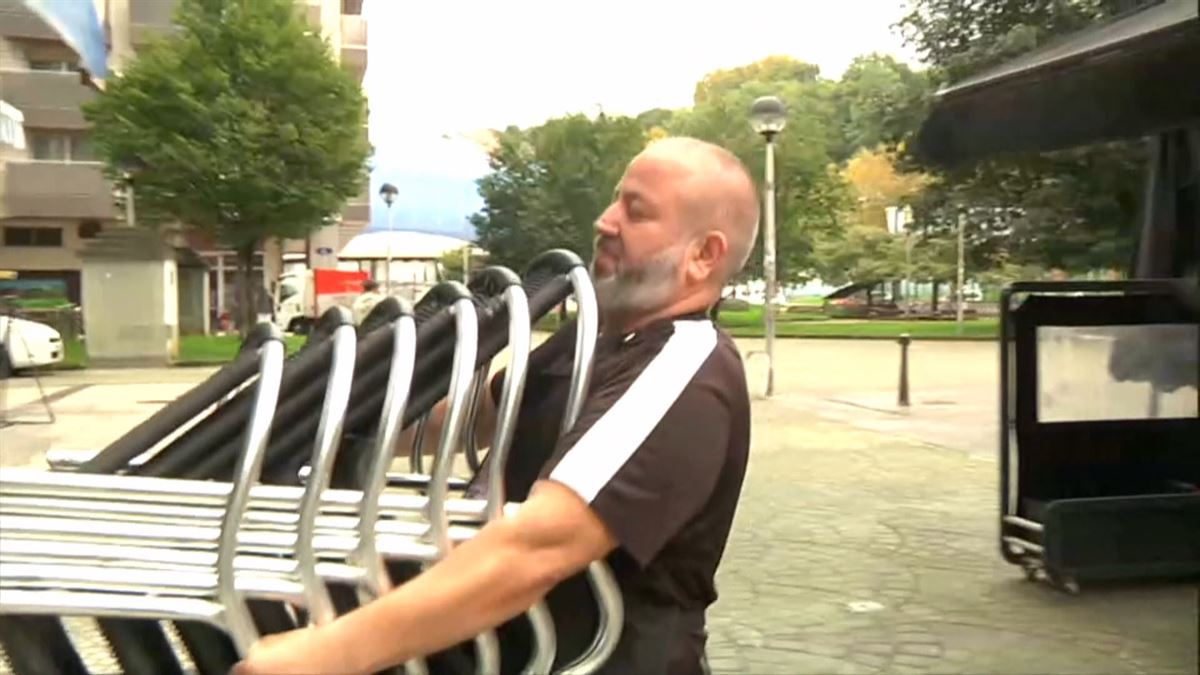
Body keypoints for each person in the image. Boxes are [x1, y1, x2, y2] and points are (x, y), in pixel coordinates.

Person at [234, 136, 761, 675]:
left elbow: (535, 550)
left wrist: (325, 656)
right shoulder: (596, 339)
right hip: (496, 649)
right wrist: (307, 429)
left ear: (704, 255)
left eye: (636, 211)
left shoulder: (683, 369)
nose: (605, 221)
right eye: (614, 200)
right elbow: (460, 420)